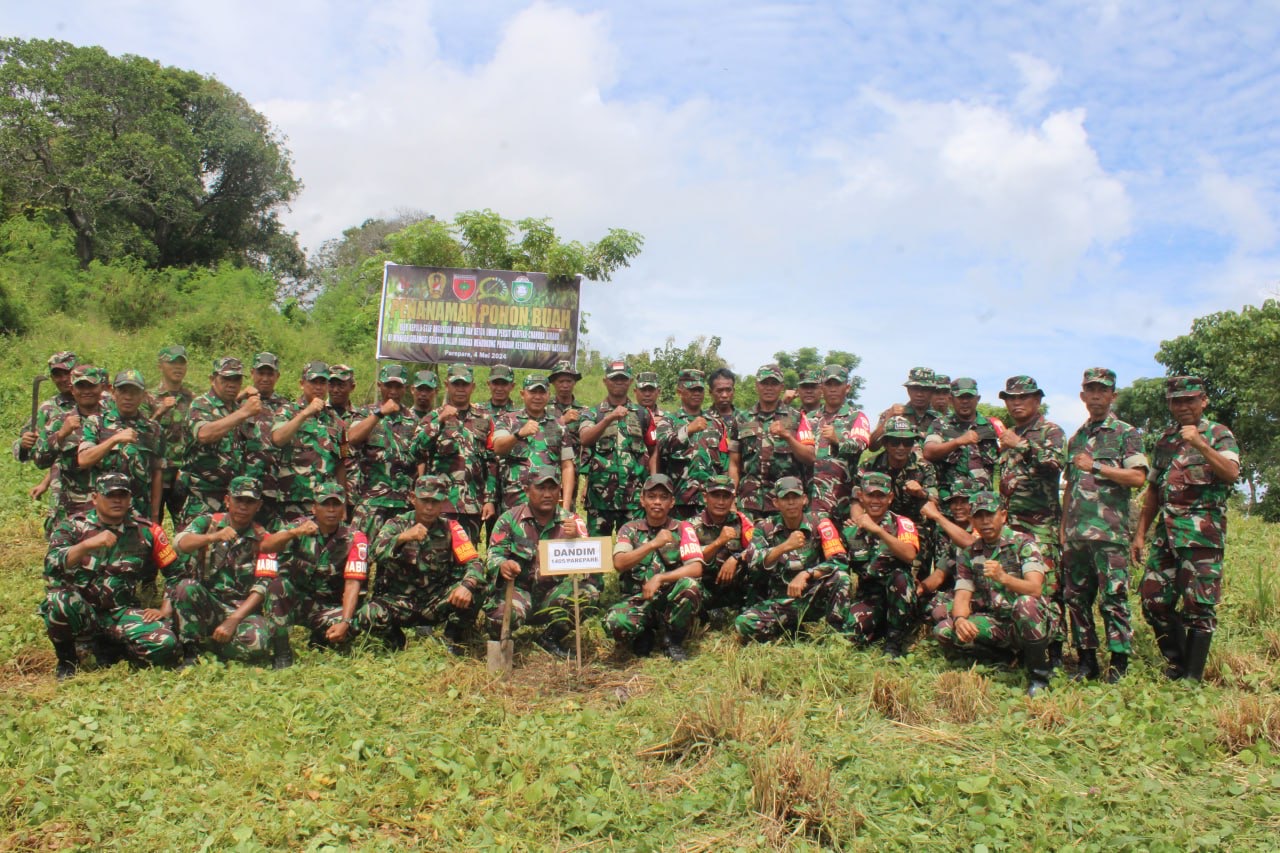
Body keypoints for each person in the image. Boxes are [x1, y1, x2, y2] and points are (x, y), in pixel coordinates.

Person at [1133, 376, 1240, 682]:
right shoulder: (1166, 440)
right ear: (1169, 404)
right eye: (1176, 401)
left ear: (1203, 401)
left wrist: (1200, 444)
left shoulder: (1218, 433)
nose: (1183, 407)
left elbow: (1231, 473)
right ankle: (1177, 662)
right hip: (1166, 536)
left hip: (1201, 537)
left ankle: (1192, 677)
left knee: (1199, 606)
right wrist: (1141, 533)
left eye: (1190, 400)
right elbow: (1153, 489)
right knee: (1153, 601)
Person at [42, 472, 181, 678]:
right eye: (110, 495)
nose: (117, 500)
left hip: (120, 612)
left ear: (129, 499)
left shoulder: (148, 531)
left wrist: (165, 609)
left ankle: (109, 651)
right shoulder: (72, 526)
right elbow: (52, 563)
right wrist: (88, 544)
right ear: (95, 498)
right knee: (58, 600)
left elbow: (176, 574)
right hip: (83, 612)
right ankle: (67, 660)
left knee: (166, 642)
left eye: (122, 495)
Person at [1061, 368, 1148, 682]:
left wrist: (1096, 465)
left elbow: (1138, 477)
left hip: (1109, 534)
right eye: (1090, 390)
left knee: (1113, 599)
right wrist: (1063, 529)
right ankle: (1087, 663)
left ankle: (1119, 666)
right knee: (1077, 599)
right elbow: (1070, 485)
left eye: (1103, 390)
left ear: (1113, 396)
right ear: (1083, 396)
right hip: (1076, 535)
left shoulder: (1127, 433)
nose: (1096, 396)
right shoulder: (1077, 438)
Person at [932, 491, 1057, 696]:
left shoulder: (1023, 543)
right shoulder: (969, 553)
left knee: (1026, 603)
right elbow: (962, 594)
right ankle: (1004, 658)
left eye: (990, 515)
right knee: (945, 630)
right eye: (979, 517)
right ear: (972, 521)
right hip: (997, 622)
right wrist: (961, 619)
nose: (985, 522)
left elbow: (1035, 589)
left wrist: (1004, 578)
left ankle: (1039, 676)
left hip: (1030, 621)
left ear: (1003, 516)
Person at [169, 476, 291, 667]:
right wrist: (214, 537)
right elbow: (180, 543)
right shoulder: (208, 523)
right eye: (238, 500)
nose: (243, 506)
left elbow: (263, 585)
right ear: (227, 500)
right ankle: (190, 651)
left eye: (250, 502)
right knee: (186, 588)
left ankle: (212, 644)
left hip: (242, 610)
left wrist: (233, 620)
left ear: (258, 505)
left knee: (257, 643)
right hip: (209, 603)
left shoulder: (264, 538)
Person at [360, 474, 487, 655]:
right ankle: (394, 640)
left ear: (443, 502)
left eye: (435, 502)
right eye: (424, 500)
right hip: (399, 602)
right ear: (413, 498)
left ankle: (452, 638)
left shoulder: (451, 528)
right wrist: (403, 537)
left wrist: (466, 586)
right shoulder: (396, 524)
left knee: (478, 588)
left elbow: (474, 562)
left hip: (434, 602)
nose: (429, 507)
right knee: (367, 613)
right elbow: (373, 554)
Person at [485, 466, 591, 659]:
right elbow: (493, 555)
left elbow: (590, 564)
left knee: (587, 593)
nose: (547, 494)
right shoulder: (509, 519)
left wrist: (576, 540)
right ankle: (504, 641)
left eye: (552, 488)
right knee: (497, 620)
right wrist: (502, 565)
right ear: (527, 490)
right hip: (518, 592)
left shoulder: (572, 522)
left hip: (552, 594)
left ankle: (550, 638)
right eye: (541, 488)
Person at [997, 375, 1067, 668]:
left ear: (1037, 400)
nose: (1016, 403)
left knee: (1049, 588)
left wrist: (1021, 445)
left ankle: (1056, 654)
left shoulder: (1050, 431)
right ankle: (1026, 648)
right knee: (1017, 584)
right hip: (1012, 528)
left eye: (1023, 397)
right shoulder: (1008, 435)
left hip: (1041, 527)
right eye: (1011, 398)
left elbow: (1055, 464)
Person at [735, 477, 851, 643]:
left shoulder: (821, 523)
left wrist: (807, 574)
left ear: (804, 499)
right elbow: (753, 562)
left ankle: (835, 634)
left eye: (795, 497)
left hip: (812, 597)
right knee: (743, 624)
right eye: (785, 498)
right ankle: (790, 631)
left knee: (841, 577)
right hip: (780, 602)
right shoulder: (764, 527)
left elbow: (840, 561)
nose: (791, 503)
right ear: (776, 503)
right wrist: (784, 547)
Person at [607, 474, 704, 660]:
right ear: (642, 500)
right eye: (652, 497)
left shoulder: (683, 528)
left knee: (691, 586)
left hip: (669, 599)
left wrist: (660, 578)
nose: (657, 502)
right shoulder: (629, 529)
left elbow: (696, 568)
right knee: (614, 623)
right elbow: (619, 563)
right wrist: (652, 544)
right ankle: (644, 632)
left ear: (672, 502)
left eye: (663, 497)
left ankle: (673, 639)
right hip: (639, 599)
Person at [263, 483, 368, 652]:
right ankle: (281, 650)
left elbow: (352, 583)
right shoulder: (298, 527)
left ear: (343, 509)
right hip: (297, 602)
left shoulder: (355, 538)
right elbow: (266, 546)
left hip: (329, 606)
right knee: (278, 585)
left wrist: (345, 621)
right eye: (325, 504)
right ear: (314, 508)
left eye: (336, 505)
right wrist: (294, 533)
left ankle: (321, 638)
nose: (331, 510)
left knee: (354, 623)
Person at [412, 364, 494, 543]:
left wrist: (489, 499)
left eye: (464, 385)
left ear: (472, 386)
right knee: (436, 556)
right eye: (456, 384)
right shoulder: (432, 417)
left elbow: (492, 463)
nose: (460, 389)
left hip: (471, 505)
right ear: (447, 385)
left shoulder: (485, 419)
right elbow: (415, 450)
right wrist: (440, 421)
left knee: (466, 557)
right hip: (439, 503)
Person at [841, 473, 921, 657]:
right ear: (861, 496)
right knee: (849, 635)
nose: (875, 501)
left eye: (881, 496)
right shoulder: (850, 531)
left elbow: (910, 555)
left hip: (899, 596)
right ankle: (876, 627)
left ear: (890, 497)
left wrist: (877, 530)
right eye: (870, 495)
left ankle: (895, 642)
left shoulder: (902, 523)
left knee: (899, 577)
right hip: (870, 597)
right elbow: (840, 565)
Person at [181, 357, 262, 525]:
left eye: (236, 379)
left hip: (233, 500)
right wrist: (243, 413)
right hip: (202, 497)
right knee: (197, 547)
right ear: (213, 379)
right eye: (226, 378)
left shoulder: (238, 409)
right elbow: (204, 434)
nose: (231, 384)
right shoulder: (201, 405)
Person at [78, 369, 165, 522]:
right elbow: (84, 460)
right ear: (113, 392)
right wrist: (114, 440)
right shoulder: (96, 423)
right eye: (123, 391)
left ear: (143, 396)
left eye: (134, 392)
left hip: (139, 512)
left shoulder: (153, 429)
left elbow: (157, 473)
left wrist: (155, 514)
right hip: (103, 512)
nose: (128, 397)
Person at [858, 415, 938, 580]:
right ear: (886, 443)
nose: (901, 447)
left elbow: (935, 499)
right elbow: (855, 496)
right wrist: (859, 518)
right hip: (879, 523)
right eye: (895, 442)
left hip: (916, 527)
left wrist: (921, 492)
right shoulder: (869, 465)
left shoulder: (924, 467)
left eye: (907, 442)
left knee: (913, 576)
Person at [732, 364, 815, 519]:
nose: (769, 388)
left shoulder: (797, 418)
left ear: (781, 387)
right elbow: (734, 464)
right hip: (749, 503)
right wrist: (731, 497)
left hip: (786, 503)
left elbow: (810, 457)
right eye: (764, 383)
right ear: (757, 385)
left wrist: (788, 437)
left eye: (774, 383)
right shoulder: (741, 419)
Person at [579, 360, 651, 536]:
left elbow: (652, 450)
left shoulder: (642, 414)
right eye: (614, 378)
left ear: (630, 381)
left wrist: (651, 484)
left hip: (632, 498)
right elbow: (585, 438)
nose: (619, 382)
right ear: (605, 381)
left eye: (623, 378)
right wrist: (608, 418)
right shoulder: (593, 413)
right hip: (600, 498)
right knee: (597, 555)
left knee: (633, 551)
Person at [270, 361, 348, 524]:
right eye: (313, 382)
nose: (318, 387)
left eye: (323, 382)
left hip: (327, 503)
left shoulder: (337, 421)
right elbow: (278, 439)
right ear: (302, 383)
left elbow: (341, 463)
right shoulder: (287, 412)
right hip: (294, 500)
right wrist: (306, 413)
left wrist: (344, 504)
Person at [346, 364, 418, 540]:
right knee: (359, 556)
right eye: (388, 385)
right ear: (380, 385)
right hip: (370, 501)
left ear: (406, 389)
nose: (393, 391)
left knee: (394, 561)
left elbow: (419, 459)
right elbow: (352, 437)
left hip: (402, 504)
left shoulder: (413, 420)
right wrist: (380, 413)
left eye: (398, 386)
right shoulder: (365, 413)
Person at [33, 364, 108, 530]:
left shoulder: (114, 420)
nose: (86, 391)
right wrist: (60, 435)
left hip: (110, 505)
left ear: (101, 388)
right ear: (73, 390)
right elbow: (40, 460)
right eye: (81, 386)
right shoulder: (59, 421)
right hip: (72, 508)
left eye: (91, 385)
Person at [653, 369, 735, 520]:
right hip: (679, 499)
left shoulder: (716, 423)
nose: (696, 393)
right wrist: (688, 430)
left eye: (700, 390)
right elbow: (662, 446)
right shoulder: (669, 421)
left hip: (710, 500)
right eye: (691, 389)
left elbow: (724, 462)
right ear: (680, 391)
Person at [807, 364, 871, 520]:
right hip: (810, 503)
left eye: (838, 384)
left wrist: (838, 441)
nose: (833, 389)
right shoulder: (809, 418)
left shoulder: (856, 417)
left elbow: (860, 445)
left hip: (842, 504)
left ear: (847, 387)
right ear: (821, 388)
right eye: (829, 384)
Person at [689, 475, 757, 620]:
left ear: (733, 499)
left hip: (733, 586)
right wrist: (719, 542)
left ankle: (744, 608)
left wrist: (736, 558)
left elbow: (758, 549)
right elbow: (690, 562)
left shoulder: (742, 521)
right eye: (715, 496)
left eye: (726, 496)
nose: (721, 502)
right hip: (705, 587)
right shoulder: (691, 526)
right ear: (705, 497)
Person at [142, 345, 195, 527]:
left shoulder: (192, 399)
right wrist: (160, 411)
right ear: (160, 366)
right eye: (172, 363)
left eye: (182, 363)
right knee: (151, 525)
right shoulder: (147, 398)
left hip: (182, 475)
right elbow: (138, 433)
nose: (178, 367)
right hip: (155, 474)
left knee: (187, 527)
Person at [923, 377, 1001, 495]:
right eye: (960, 397)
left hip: (983, 505)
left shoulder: (992, 426)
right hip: (951, 504)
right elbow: (929, 452)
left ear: (978, 399)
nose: (965, 401)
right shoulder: (939, 424)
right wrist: (957, 442)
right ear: (951, 400)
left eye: (969, 397)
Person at [917, 483, 977, 626]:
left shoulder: (983, 527)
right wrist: (921, 588)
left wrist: (937, 516)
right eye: (954, 503)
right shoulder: (953, 538)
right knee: (922, 605)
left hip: (985, 592)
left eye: (964, 502)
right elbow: (939, 575)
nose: (958, 507)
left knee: (940, 613)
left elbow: (970, 543)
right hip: (959, 591)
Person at [870, 367, 941, 450]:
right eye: (915, 388)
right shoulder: (892, 414)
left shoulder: (941, 419)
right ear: (908, 389)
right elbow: (873, 447)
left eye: (925, 389)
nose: (919, 394)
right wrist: (888, 419)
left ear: (932, 391)